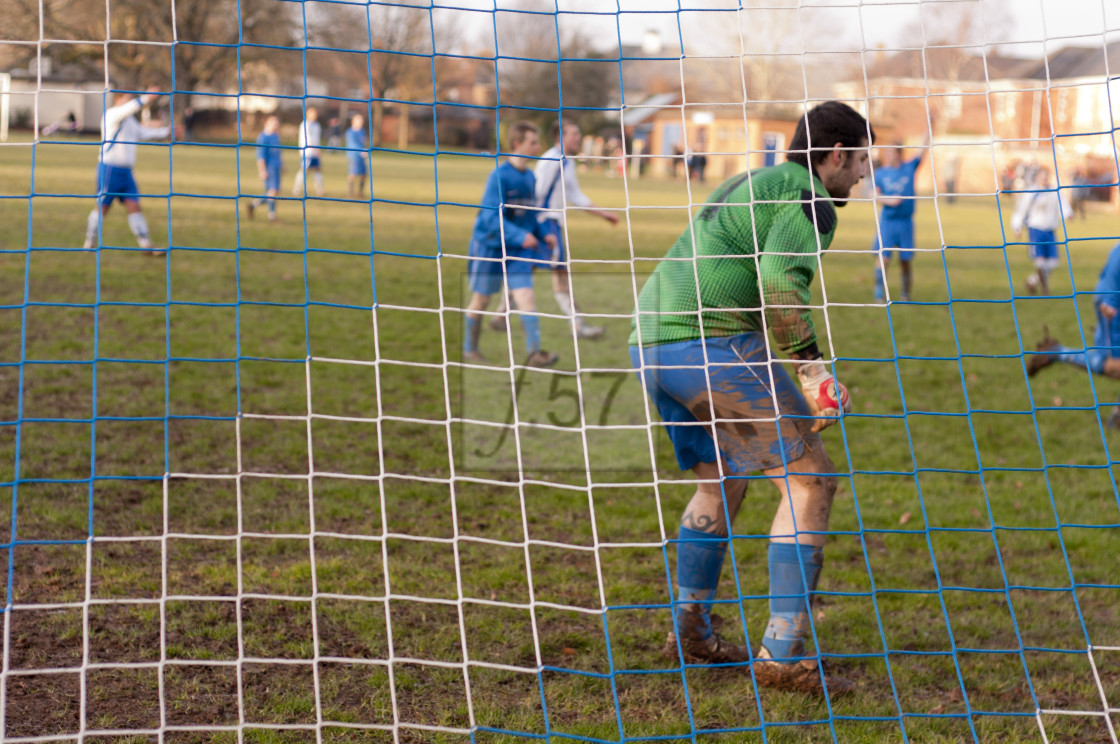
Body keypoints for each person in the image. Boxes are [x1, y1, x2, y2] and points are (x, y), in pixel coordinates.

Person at [628, 100, 873, 697]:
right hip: (708, 343)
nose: (864, 174)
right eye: (862, 159)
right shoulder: (809, 199)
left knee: (722, 481)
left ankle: (689, 630)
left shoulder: (758, 178)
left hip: (651, 344)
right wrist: (815, 376)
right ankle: (781, 657)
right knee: (809, 482)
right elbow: (778, 287)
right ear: (836, 154)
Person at [490, 119, 619, 340]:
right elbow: (535, 193)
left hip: (549, 223)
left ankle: (501, 315)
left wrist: (603, 213)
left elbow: (576, 195)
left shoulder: (566, 162)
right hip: (546, 224)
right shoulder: (552, 160)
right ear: (560, 137)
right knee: (559, 273)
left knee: (529, 269)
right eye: (574, 134)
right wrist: (533, 225)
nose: (578, 138)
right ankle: (578, 325)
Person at [463, 121, 559, 368]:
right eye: (532, 143)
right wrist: (520, 235)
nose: (538, 147)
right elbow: (489, 217)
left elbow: (529, 214)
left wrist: (542, 232)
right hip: (491, 246)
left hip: (516, 250)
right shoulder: (499, 176)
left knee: (526, 297)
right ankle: (469, 348)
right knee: (481, 300)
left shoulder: (529, 176)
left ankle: (534, 354)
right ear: (517, 145)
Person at [1028, 240, 1120, 427]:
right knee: (1115, 366)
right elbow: (1115, 263)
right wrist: (1110, 299)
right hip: (1112, 305)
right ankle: (1058, 353)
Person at [83, 85, 174, 256]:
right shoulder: (112, 115)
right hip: (110, 170)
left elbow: (143, 132)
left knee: (134, 207)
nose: (131, 101)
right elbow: (129, 109)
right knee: (102, 208)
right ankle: (89, 243)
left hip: (127, 174)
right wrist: (146, 98)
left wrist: (167, 131)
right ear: (118, 99)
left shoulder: (130, 121)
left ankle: (146, 245)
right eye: (127, 98)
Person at [870, 130, 929, 302]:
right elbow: (874, 195)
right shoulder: (881, 173)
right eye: (886, 152)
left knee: (905, 262)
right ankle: (879, 290)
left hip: (905, 223)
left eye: (890, 152)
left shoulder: (909, 168)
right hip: (887, 222)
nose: (887, 155)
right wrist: (890, 200)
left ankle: (905, 294)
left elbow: (922, 149)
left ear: (899, 153)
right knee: (883, 258)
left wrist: (929, 125)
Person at [1011, 167, 1072, 296]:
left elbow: (1063, 204)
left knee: (1053, 263)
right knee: (1040, 262)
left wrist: (1068, 214)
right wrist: (1017, 226)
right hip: (1035, 230)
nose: (1044, 178)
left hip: (1050, 231)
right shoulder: (1031, 192)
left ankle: (1031, 281)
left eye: (1046, 175)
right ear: (1037, 177)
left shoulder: (1054, 191)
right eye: (1042, 175)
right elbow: (1021, 210)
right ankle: (1045, 288)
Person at [247, 115, 283, 222]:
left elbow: (278, 152)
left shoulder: (276, 136)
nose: (276, 124)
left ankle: (253, 205)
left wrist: (282, 165)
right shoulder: (263, 137)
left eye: (277, 122)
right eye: (273, 122)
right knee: (273, 191)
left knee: (272, 192)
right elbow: (260, 156)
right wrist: (262, 170)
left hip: (276, 167)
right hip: (269, 168)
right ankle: (272, 216)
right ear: (266, 123)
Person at [292, 106, 325, 197]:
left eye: (315, 114)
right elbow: (308, 138)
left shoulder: (317, 125)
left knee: (317, 169)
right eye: (312, 113)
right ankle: (296, 189)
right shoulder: (305, 124)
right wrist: (315, 148)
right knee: (304, 170)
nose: (315, 115)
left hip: (315, 152)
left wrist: (318, 149)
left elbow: (317, 139)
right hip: (307, 152)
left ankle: (320, 189)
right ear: (308, 114)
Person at [345, 114, 369, 198]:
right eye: (359, 121)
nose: (361, 123)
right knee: (353, 173)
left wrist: (364, 149)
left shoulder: (362, 131)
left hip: (361, 156)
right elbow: (352, 144)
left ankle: (360, 192)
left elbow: (363, 142)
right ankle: (351, 193)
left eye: (362, 121)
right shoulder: (350, 132)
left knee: (363, 174)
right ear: (353, 122)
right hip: (353, 155)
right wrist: (361, 151)